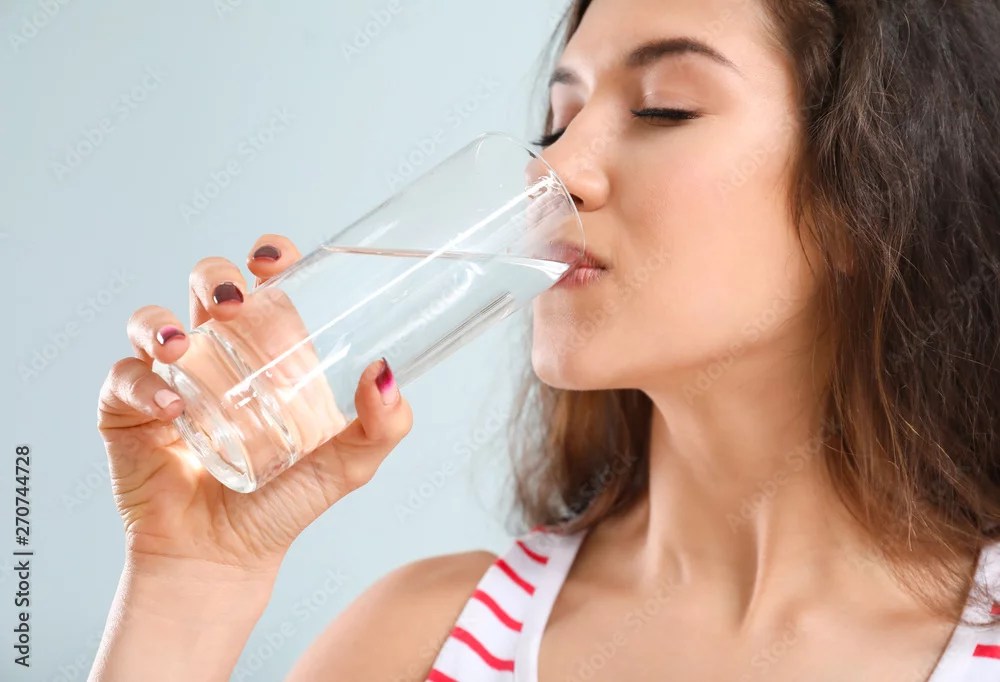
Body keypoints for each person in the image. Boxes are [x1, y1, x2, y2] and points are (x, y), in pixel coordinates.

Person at [89, 0, 1000, 680]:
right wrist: (189, 585)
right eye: (556, 122)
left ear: (867, 193)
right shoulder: (420, 644)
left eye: (664, 109)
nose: (553, 169)